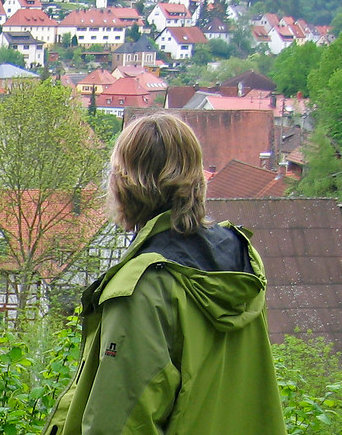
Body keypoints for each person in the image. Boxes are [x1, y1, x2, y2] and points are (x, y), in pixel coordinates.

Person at [45, 114, 285, 434]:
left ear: (123, 185)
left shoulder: (141, 288)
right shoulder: (240, 261)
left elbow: (120, 424)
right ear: (197, 180)